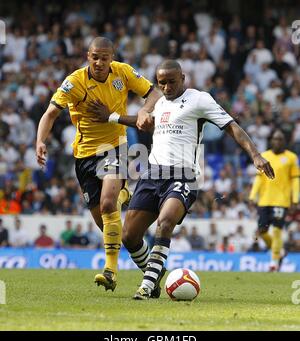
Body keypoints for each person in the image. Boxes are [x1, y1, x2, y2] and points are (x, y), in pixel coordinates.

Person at [88, 59, 274, 299]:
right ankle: (155, 273)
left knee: (165, 223)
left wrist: (256, 155)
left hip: (184, 175)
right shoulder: (160, 103)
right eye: (161, 83)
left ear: (183, 78)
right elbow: (143, 121)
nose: (166, 87)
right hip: (153, 173)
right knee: (129, 236)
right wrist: (112, 117)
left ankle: (146, 285)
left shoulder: (200, 99)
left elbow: (231, 127)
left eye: (171, 82)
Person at [36, 37, 161, 291]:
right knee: (108, 224)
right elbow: (50, 113)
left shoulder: (123, 73)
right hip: (83, 155)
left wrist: (144, 111)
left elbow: (154, 93)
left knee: (107, 204)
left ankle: (110, 271)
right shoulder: (75, 82)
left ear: (111, 58)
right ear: (87, 56)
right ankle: (150, 271)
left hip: (115, 146)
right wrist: (39, 141)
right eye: (95, 57)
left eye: (105, 57)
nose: (100, 62)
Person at [249, 129, 299, 271]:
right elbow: (259, 179)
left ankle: (274, 262)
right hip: (264, 200)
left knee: (277, 231)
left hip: (281, 201)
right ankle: (280, 252)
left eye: (280, 139)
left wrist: (295, 199)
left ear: (285, 142)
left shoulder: (291, 158)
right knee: (262, 231)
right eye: (275, 139)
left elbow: (295, 180)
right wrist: (252, 196)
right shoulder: (264, 156)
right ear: (271, 141)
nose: (277, 142)